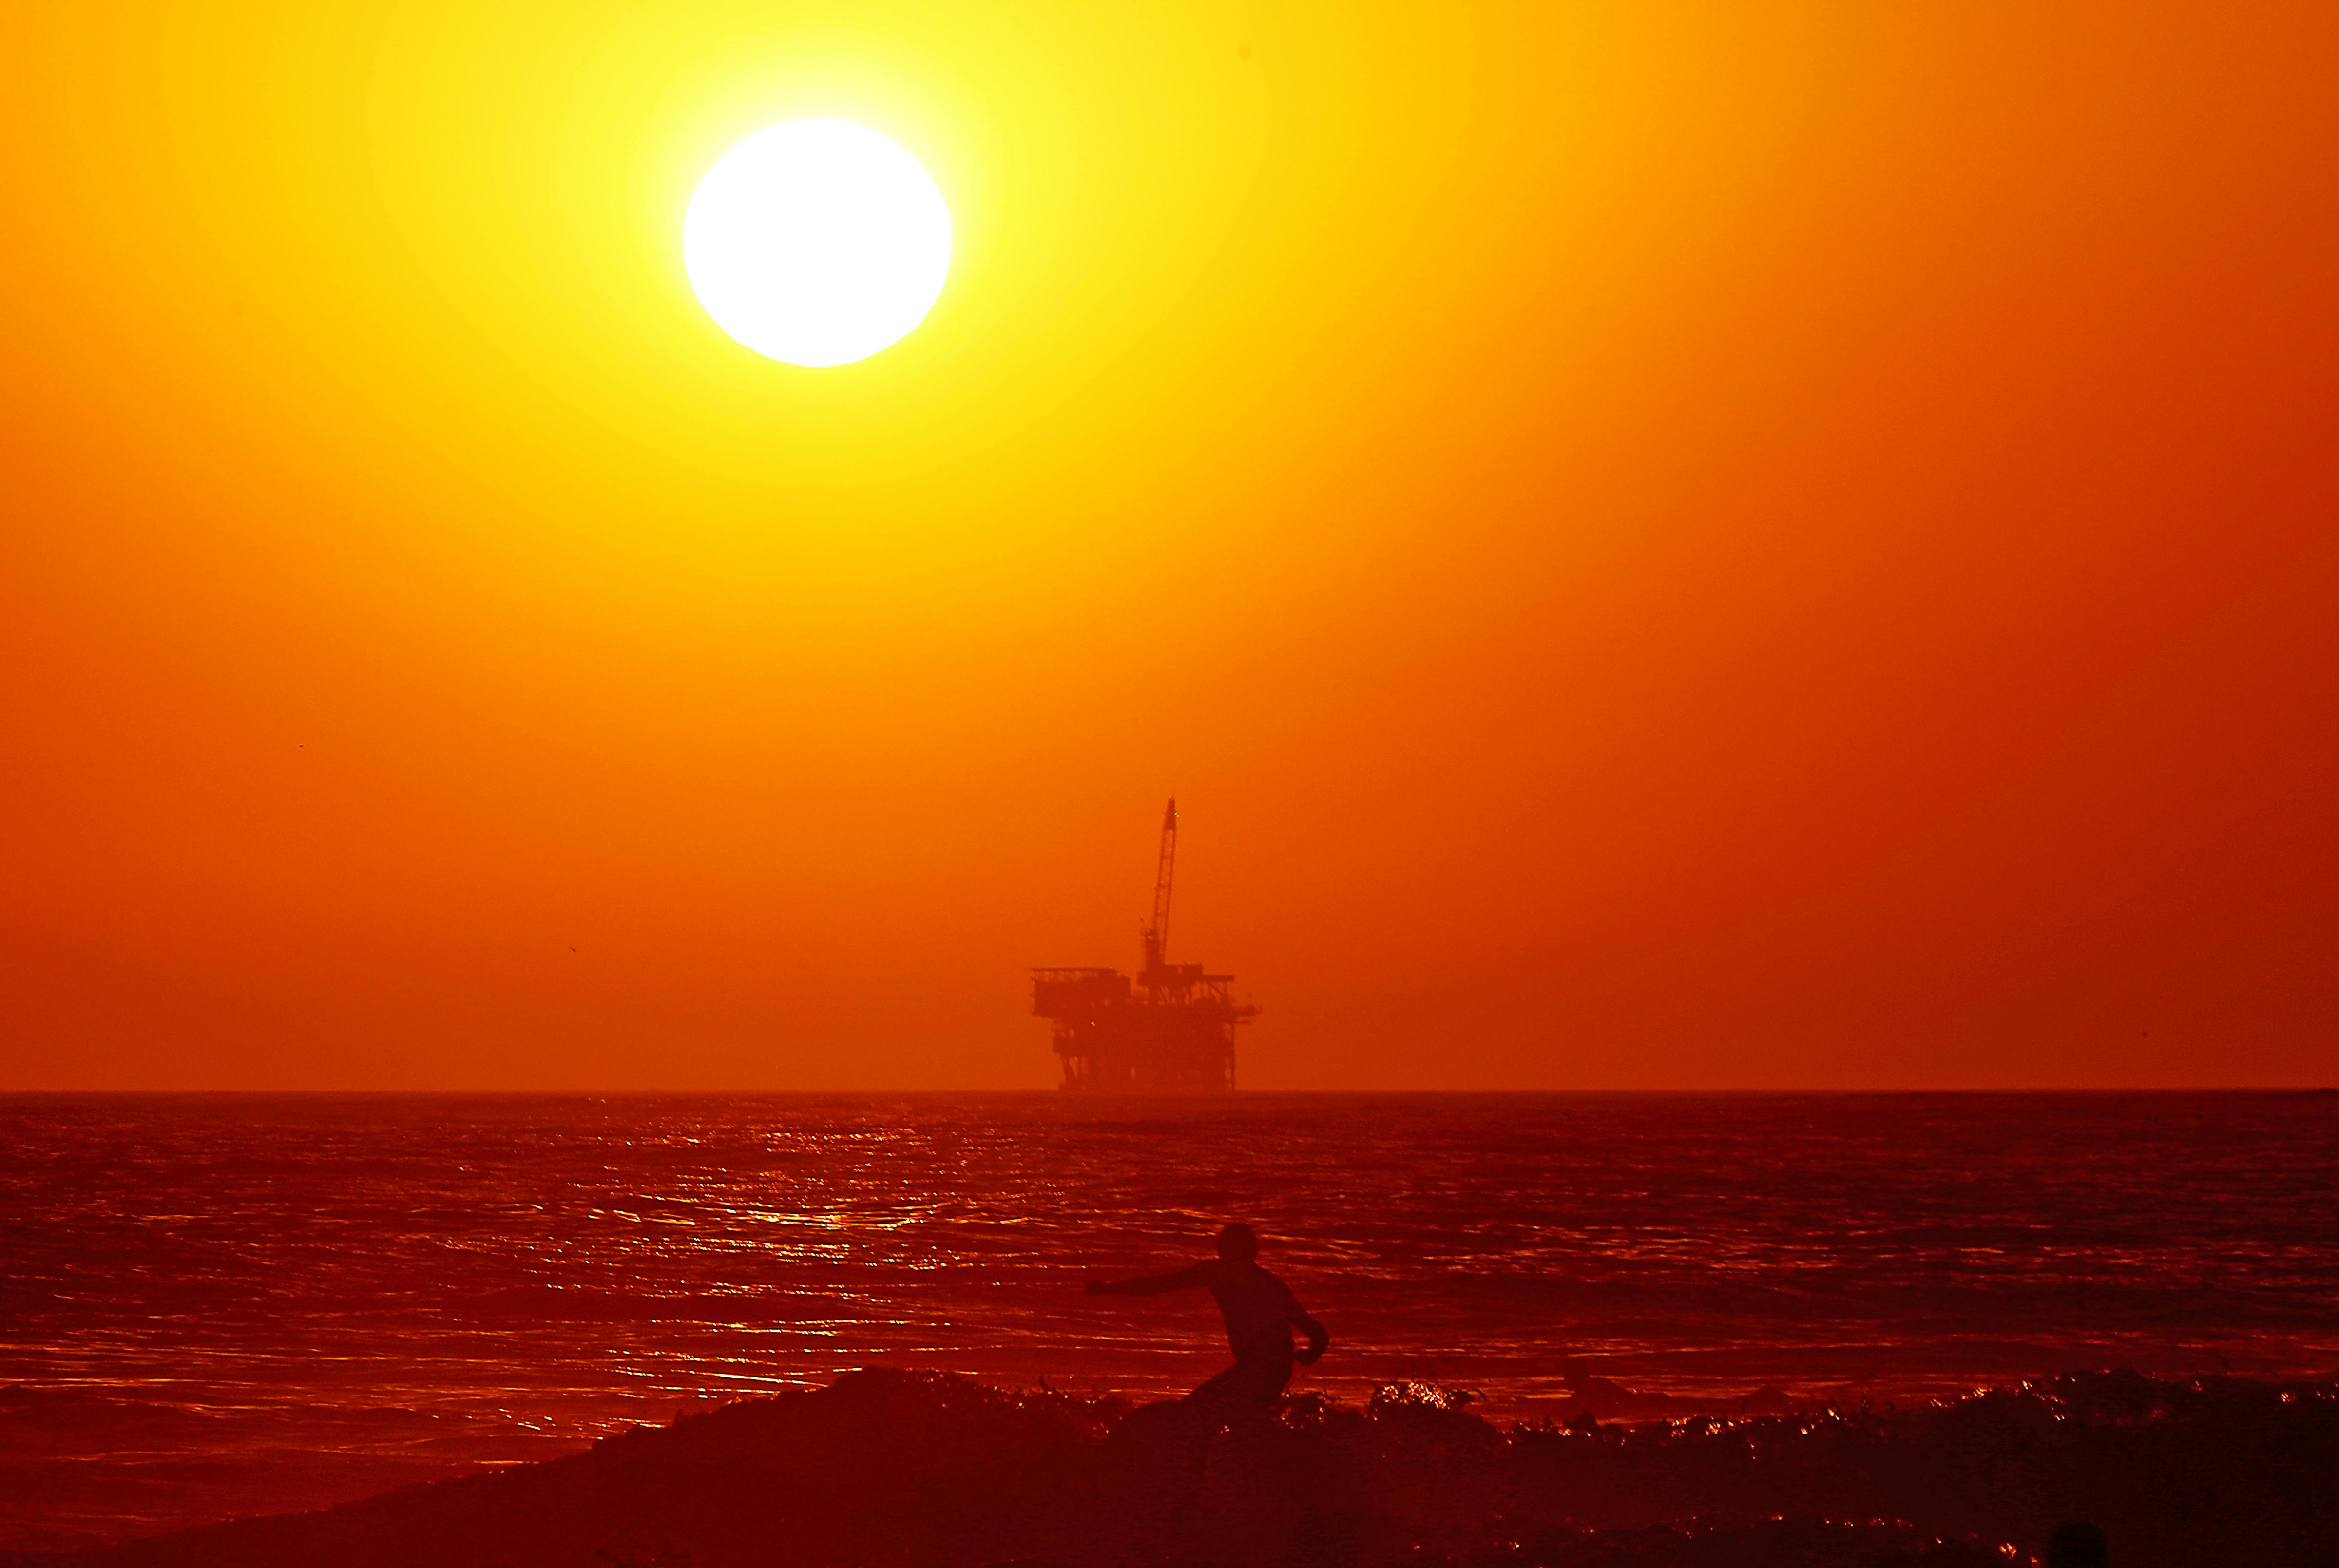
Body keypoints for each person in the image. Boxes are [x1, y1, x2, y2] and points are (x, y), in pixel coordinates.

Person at [1086, 1222, 1329, 1426]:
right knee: (1204, 1416)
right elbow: (1317, 1333)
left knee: (1199, 1417)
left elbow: (1161, 1284)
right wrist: (1309, 1354)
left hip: (1263, 1371)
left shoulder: (1223, 1274)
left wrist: (1110, 1288)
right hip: (1263, 1369)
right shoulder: (1268, 1283)